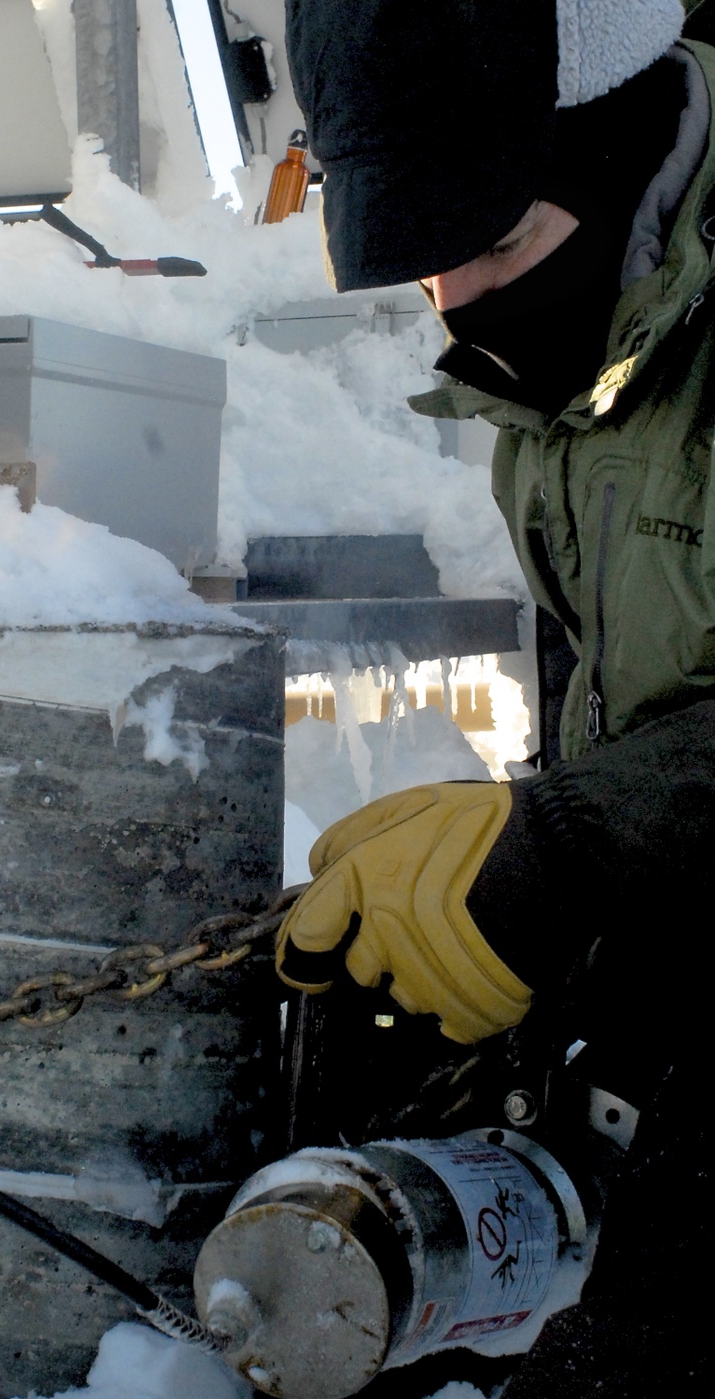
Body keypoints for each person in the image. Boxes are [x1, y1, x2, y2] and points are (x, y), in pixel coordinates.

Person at [275, 1, 713, 1393]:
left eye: (502, 244)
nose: (464, 313)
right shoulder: (576, 360)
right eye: (427, 279)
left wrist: (567, 845)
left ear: (625, 144)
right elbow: (620, 697)